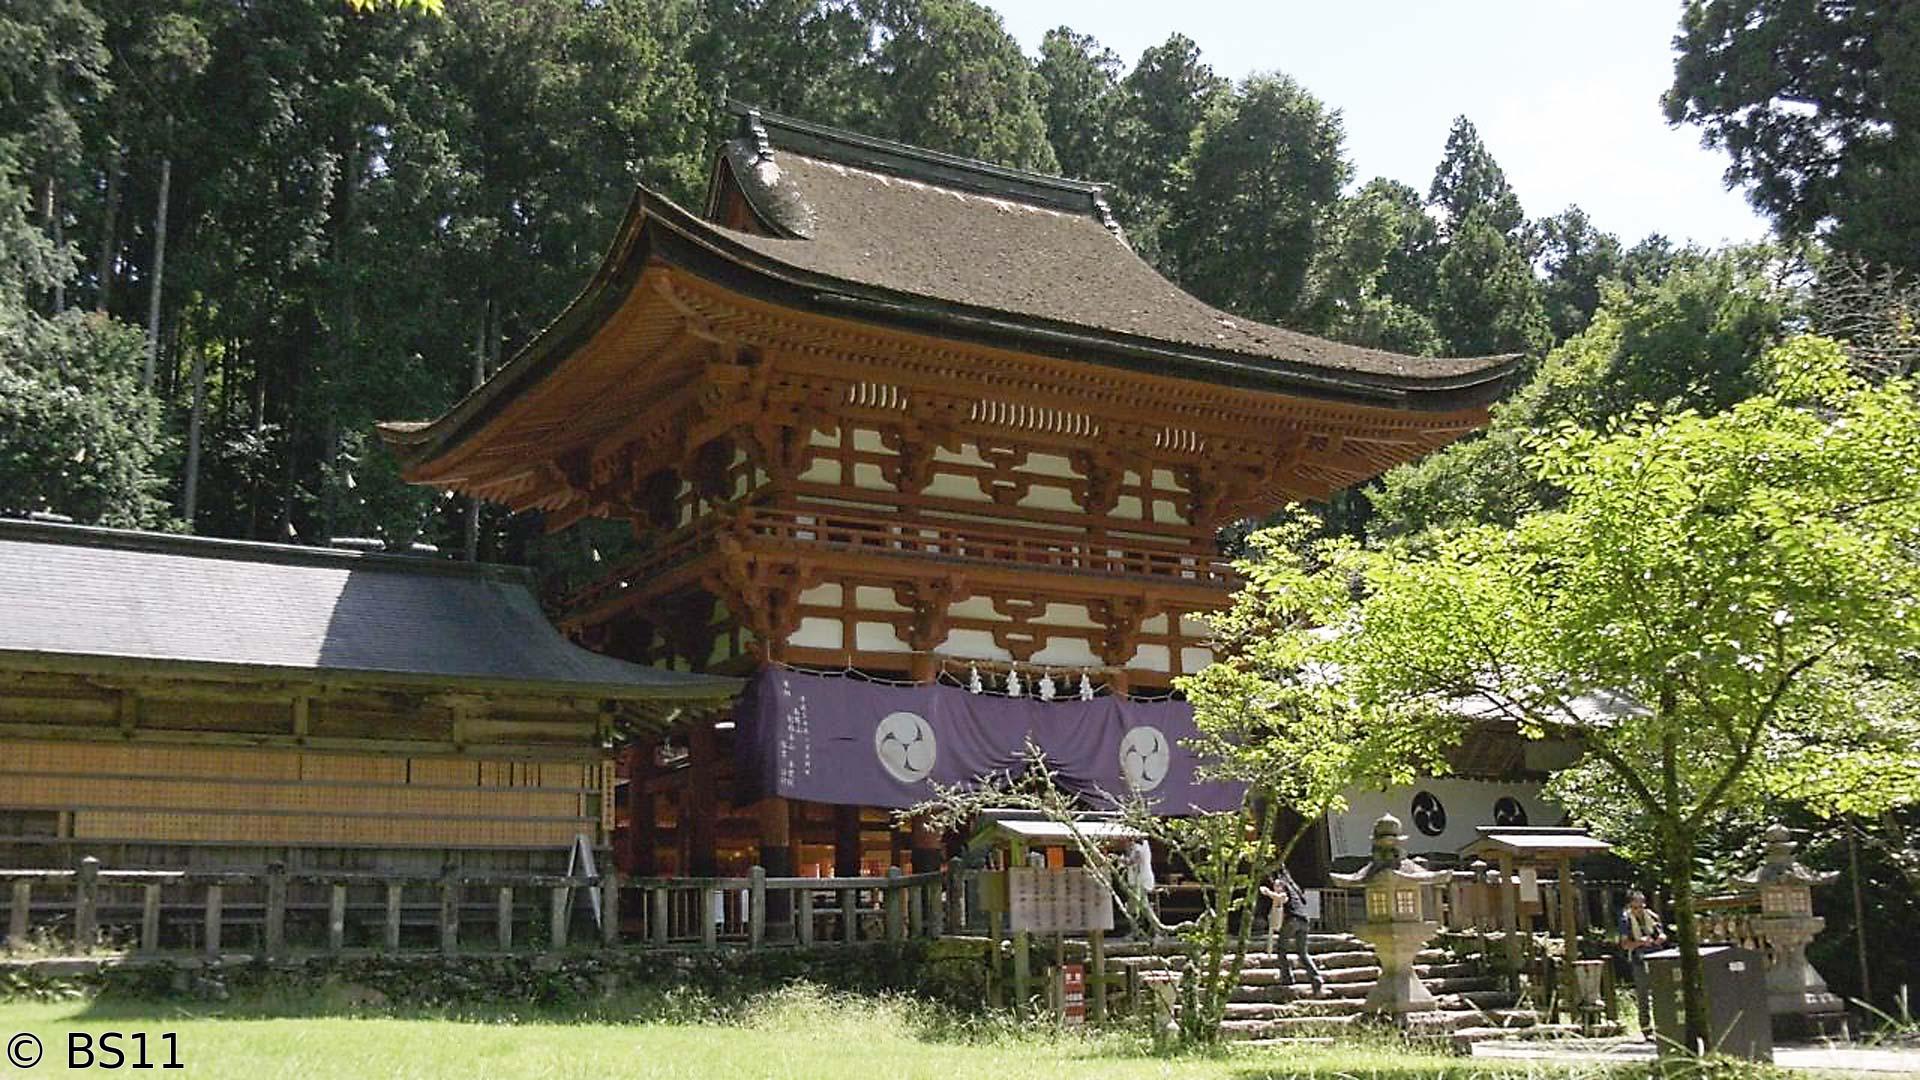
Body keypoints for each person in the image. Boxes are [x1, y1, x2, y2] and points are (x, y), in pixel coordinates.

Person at [1260, 867, 1323, 996]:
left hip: (1292, 921)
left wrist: (1267, 893)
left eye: (1277, 886)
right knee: (1302, 953)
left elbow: (1282, 898)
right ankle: (1316, 979)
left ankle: (1287, 978)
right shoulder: (1296, 892)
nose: (1275, 887)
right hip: (1304, 921)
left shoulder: (1285, 893)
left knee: (1281, 949)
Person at [1618, 890, 1668, 1039]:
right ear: (1630, 907)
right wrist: (1640, 942)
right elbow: (1624, 944)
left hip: (1657, 957)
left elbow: (1662, 934)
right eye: (1635, 907)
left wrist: (1659, 939)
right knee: (1643, 995)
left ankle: (1664, 1027)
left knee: (1661, 993)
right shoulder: (1625, 920)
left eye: (1641, 906)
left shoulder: (1652, 917)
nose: (1639, 910)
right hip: (1639, 959)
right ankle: (1646, 1030)